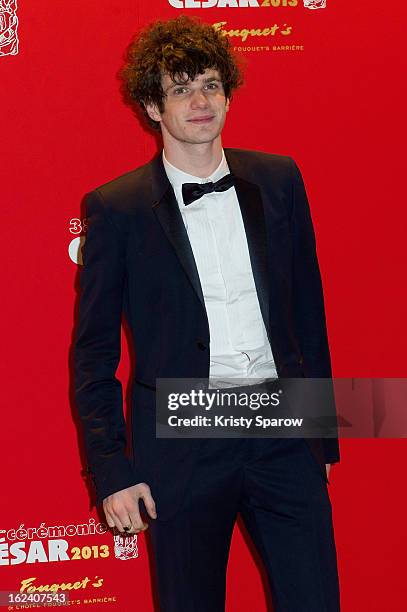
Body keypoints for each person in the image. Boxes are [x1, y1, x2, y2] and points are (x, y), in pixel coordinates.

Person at [73, 15, 340, 612]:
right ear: (151, 105)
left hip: (282, 428)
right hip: (181, 440)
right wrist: (111, 468)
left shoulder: (279, 179)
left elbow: (308, 314)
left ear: (228, 94)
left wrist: (320, 441)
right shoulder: (117, 209)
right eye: (181, 88)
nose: (200, 101)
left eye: (212, 85)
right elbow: (93, 353)